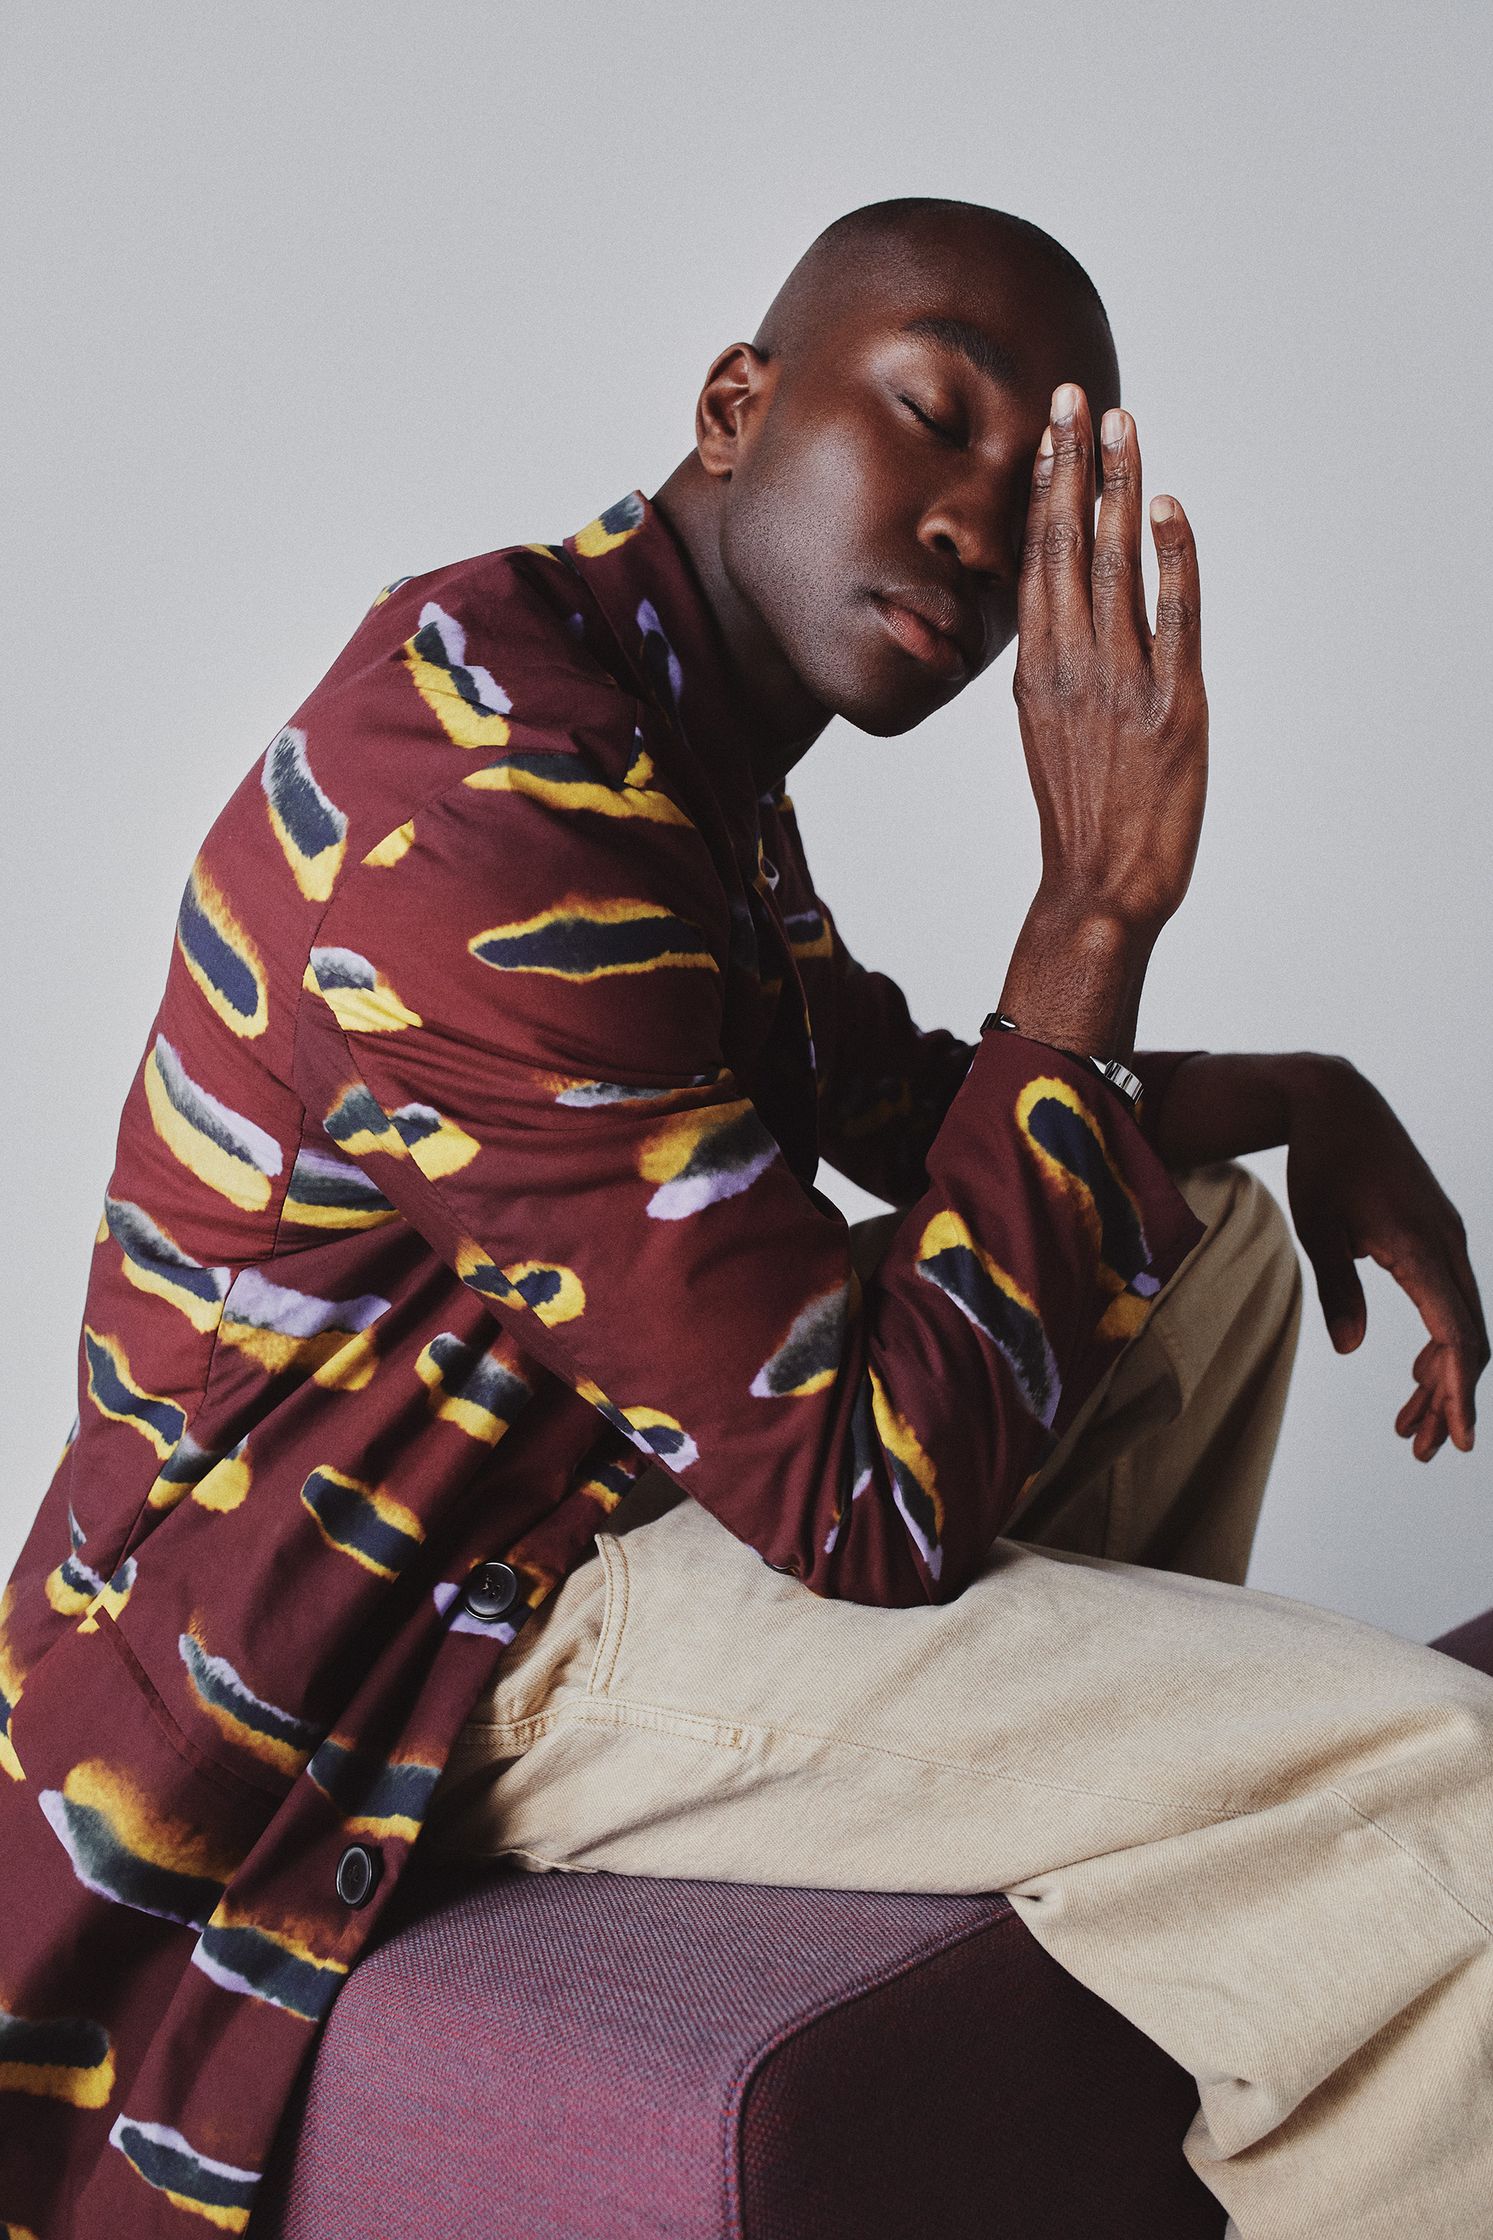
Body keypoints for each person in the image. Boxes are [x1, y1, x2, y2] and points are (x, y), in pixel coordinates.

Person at [0, 197, 1486, 2240]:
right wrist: (1095, 911)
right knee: (1450, 1795)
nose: (977, 518)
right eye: (932, 410)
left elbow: (898, 1098)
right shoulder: (489, 791)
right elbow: (865, 1497)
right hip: (411, 1638)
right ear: (735, 403)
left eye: (1038, 484)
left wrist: (1305, 1098)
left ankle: (1089, 1819)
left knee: (1198, 1215)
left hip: (572, 1492)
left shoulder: (645, 704)